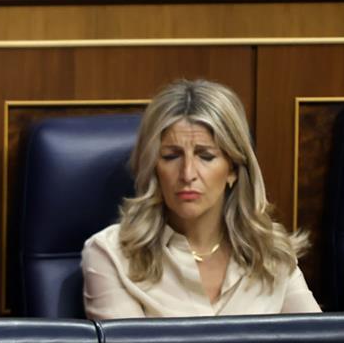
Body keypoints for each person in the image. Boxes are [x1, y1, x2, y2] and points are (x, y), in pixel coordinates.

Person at [82, 79, 320, 317]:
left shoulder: (271, 254)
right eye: (171, 156)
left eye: (205, 156)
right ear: (153, 167)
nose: (187, 174)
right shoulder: (111, 255)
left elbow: (318, 335)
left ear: (233, 169)